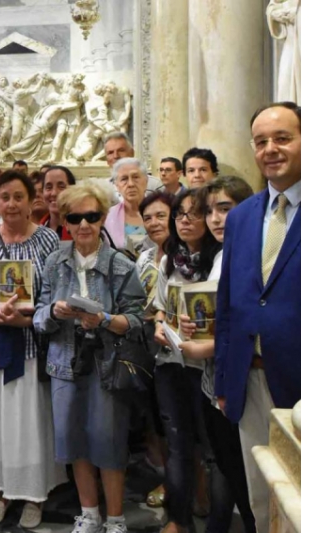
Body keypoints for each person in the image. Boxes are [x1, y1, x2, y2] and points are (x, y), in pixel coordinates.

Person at [34, 181, 147, 533]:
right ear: (65, 222)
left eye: (92, 216)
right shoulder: (54, 262)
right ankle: (89, 514)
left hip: (107, 364)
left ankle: (115, 518)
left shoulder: (120, 265)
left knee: (109, 440)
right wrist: (55, 311)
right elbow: (38, 317)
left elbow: (139, 319)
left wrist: (107, 320)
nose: (84, 224)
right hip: (65, 362)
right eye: (76, 217)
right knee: (74, 440)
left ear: (103, 218)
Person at [0, 170, 66, 529]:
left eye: (19, 196)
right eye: (4, 197)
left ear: (31, 198)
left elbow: (57, 294)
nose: (12, 204)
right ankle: (0, 492)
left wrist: (33, 315)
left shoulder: (48, 241)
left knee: (31, 421)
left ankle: (34, 493)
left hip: (33, 347)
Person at [214, 102, 301, 533]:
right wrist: (226, 379)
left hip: (305, 384)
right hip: (250, 380)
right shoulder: (242, 216)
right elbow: (228, 303)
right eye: (262, 141)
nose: (271, 149)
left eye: (283, 138)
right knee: (260, 495)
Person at [179, 176, 258, 533]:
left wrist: (207, 345)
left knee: (251, 476)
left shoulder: (254, 251)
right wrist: (193, 325)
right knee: (230, 465)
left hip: (247, 377)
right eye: (209, 211)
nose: (215, 219)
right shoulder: (221, 253)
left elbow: (253, 320)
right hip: (216, 377)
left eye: (224, 209)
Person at [153, 189, 222, 533]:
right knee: (177, 443)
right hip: (172, 364)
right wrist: (160, 327)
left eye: (194, 214)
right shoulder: (170, 259)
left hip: (208, 366)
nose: (185, 221)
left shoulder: (222, 260)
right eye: (179, 214)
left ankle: (215, 511)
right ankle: (178, 520)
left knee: (212, 446)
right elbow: (160, 310)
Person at [135, 191, 174, 510]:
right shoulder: (145, 256)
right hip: (146, 342)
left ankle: (187, 483)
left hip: (178, 344)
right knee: (156, 414)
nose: (153, 223)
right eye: (147, 217)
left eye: (160, 215)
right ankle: (166, 474)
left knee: (178, 417)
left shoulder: (186, 254)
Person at [104, 157, 149, 251]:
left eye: (135, 177)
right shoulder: (107, 217)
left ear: (146, 181)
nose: (131, 184)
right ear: (117, 185)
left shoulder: (162, 212)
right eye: (124, 179)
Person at [40, 165, 76, 240]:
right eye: (49, 187)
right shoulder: (34, 234)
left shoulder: (83, 230)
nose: (54, 193)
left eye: (61, 187)